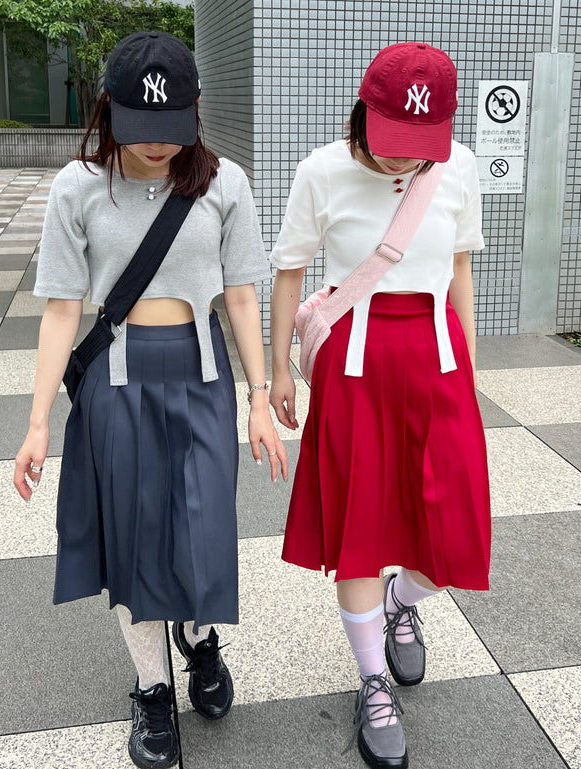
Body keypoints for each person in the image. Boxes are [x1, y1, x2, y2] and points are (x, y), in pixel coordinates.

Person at [13, 31, 287, 769]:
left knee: (203, 528)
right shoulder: (77, 188)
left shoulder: (224, 183)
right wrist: (37, 422)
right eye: (140, 127)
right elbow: (61, 311)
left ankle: (197, 635)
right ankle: (152, 686)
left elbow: (240, 295)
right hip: (115, 383)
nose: (157, 145)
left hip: (202, 376)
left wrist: (259, 396)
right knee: (134, 541)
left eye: (172, 127)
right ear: (109, 110)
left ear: (195, 111)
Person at [269, 42, 490, 769]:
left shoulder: (455, 166)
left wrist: (470, 365)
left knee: (453, 530)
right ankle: (372, 680)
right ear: (362, 112)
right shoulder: (320, 170)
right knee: (359, 525)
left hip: (437, 357)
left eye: (420, 142)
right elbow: (290, 271)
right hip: (355, 363)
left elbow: (458, 266)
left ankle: (401, 600)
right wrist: (278, 370)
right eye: (393, 137)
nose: (404, 156)